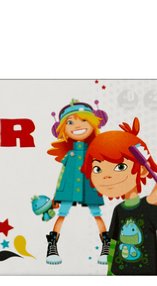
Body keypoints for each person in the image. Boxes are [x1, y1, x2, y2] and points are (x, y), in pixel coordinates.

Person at [81, 117, 157, 275]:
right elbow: (112, 244)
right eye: (97, 169)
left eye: (120, 167)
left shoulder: (151, 206)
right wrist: (109, 273)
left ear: (143, 170)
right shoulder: (118, 210)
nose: (106, 176)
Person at [45, 99, 109, 265]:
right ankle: (52, 246)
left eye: (84, 120)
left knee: (97, 215)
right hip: (69, 189)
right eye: (70, 122)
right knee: (62, 215)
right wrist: (57, 196)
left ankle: (106, 246)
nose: (77, 126)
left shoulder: (94, 152)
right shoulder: (70, 155)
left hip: (90, 188)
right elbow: (63, 176)